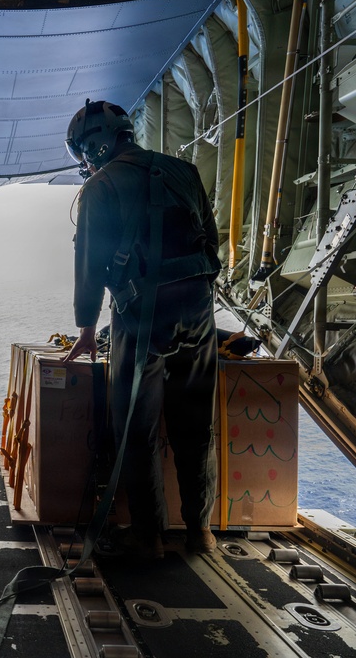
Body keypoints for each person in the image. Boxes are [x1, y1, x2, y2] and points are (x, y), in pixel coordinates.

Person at [62, 100, 221, 558]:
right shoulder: (185, 172)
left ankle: (148, 537)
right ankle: (201, 533)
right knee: (197, 426)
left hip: (141, 316)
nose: (86, 163)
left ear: (95, 146)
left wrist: (86, 328)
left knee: (135, 427)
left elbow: (89, 267)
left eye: (83, 154)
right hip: (198, 313)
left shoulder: (100, 187)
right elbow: (211, 244)